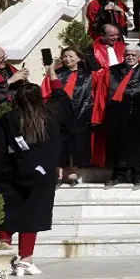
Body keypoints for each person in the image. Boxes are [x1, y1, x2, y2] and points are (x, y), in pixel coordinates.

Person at [0, 83, 67, 277]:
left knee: (7, 215)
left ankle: (4, 259)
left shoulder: (9, 119)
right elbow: (57, 146)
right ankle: (25, 260)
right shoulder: (50, 119)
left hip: (11, 174)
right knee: (32, 216)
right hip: (41, 175)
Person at [92, 44, 140, 186]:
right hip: (117, 113)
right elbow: (102, 93)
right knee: (117, 143)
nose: (130, 57)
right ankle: (118, 175)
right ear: (123, 55)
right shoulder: (112, 71)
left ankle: (138, 174)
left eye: (133, 55)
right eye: (128, 55)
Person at [41, 48, 99, 183]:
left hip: (82, 111)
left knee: (78, 143)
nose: (68, 59)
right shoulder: (56, 74)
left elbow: (97, 93)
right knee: (59, 142)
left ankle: (74, 172)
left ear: (79, 57)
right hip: (60, 113)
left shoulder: (90, 74)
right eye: (65, 56)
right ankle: (59, 173)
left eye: (71, 56)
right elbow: (47, 92)